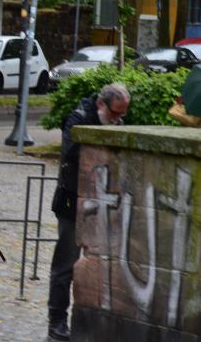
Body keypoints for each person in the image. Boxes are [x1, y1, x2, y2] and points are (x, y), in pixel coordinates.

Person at [47, 83, 130, 341]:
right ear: (101, 105)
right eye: (115, 113)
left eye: (122, 114)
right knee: (66, 265)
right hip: (72, 202)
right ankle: (57, 321)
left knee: (101, 265)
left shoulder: (118, 120)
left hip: (105, 202)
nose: (118, 119)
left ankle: (94, 322)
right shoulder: (79, 118)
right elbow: (71, 151)